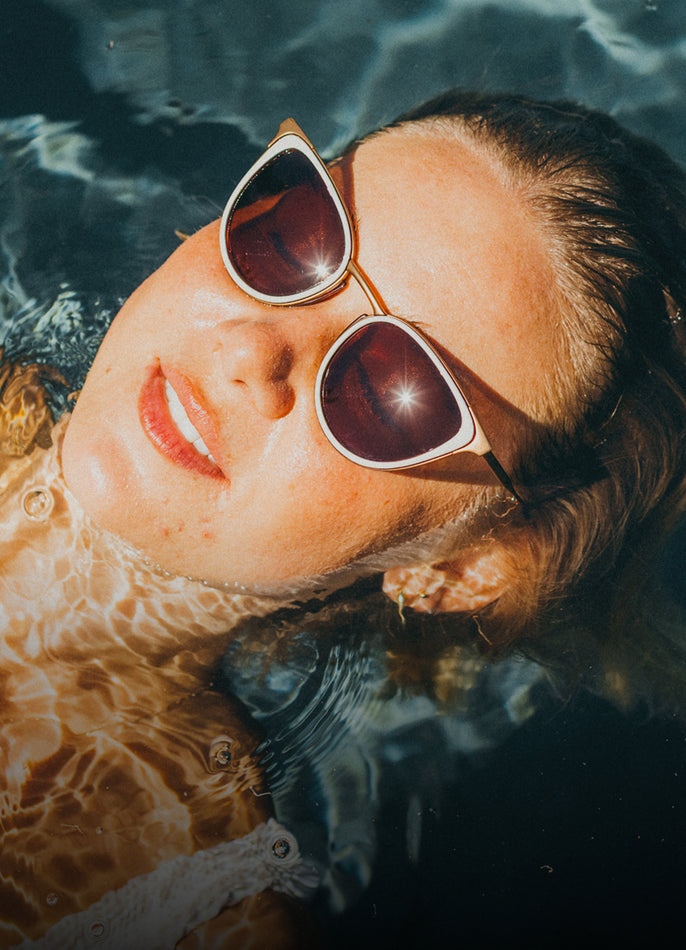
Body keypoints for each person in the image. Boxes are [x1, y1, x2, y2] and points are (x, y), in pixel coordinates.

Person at [2, 89, 686, 945]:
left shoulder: (173, 900)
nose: (252, 349)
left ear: (459, 567)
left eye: (390, 395)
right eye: (290, 237)